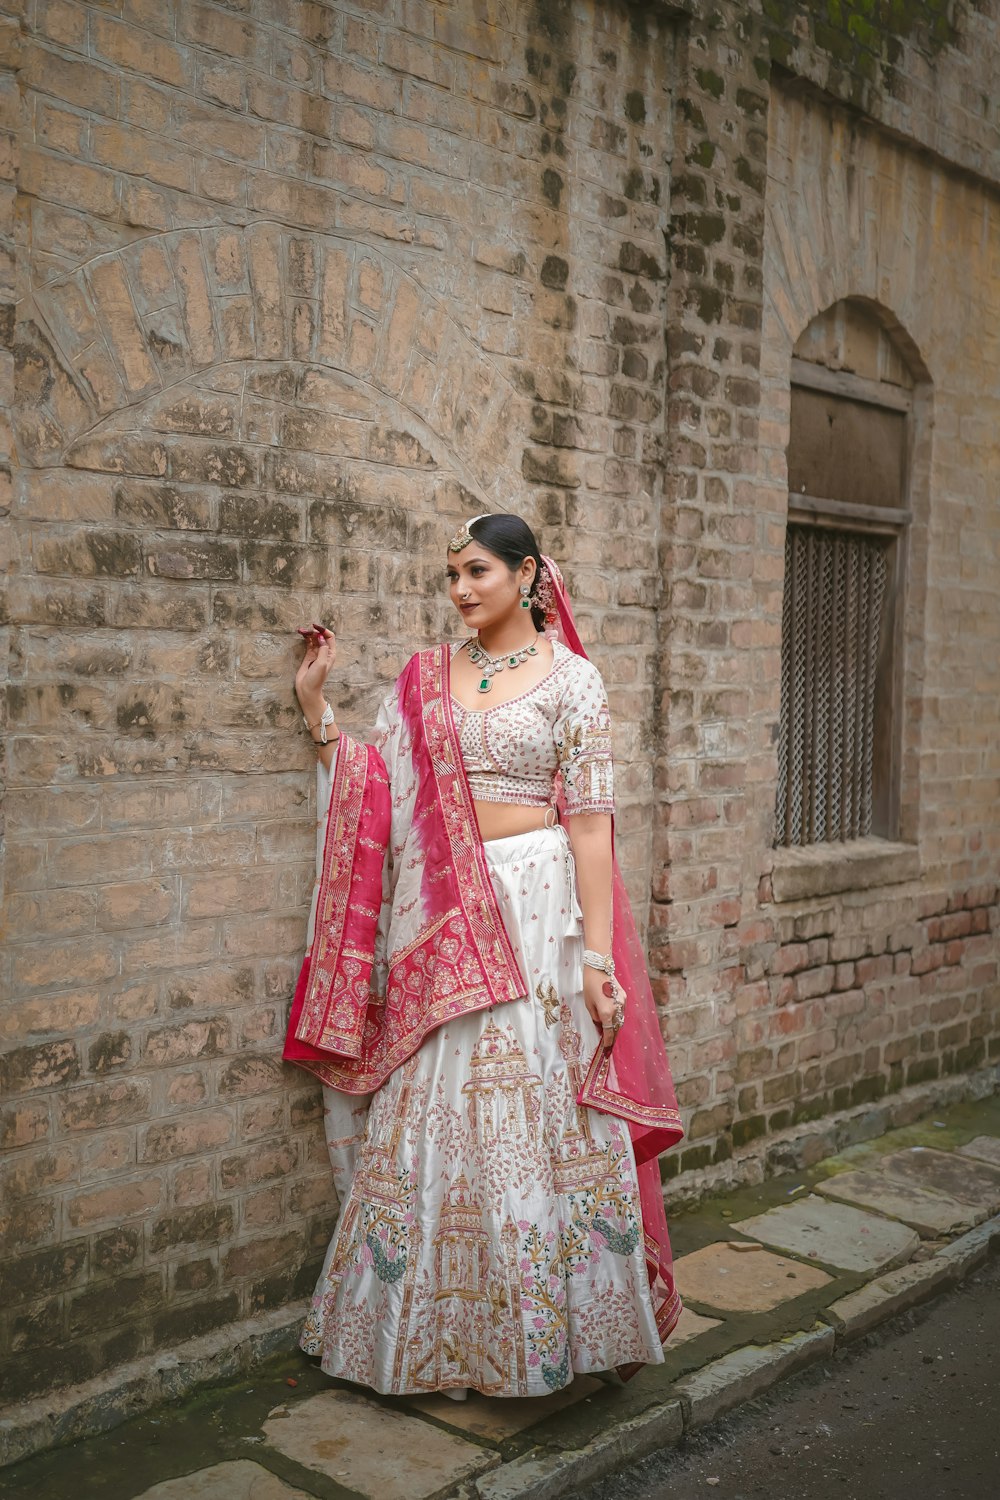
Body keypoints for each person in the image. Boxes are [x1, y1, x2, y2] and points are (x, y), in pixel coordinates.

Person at [284, 513, 683, 1400]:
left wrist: (597, 959)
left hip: (540, 914)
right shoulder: (428, 677)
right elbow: (379, 793)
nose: (461, 589)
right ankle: (433, 1337)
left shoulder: (574, 682)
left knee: (539, 1110)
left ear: (526, 573)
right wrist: (319, 713)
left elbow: (589, 825)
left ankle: (557, 1337)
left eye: (476, 571)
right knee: (441, 1107)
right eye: (451, 575)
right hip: (445, 918)